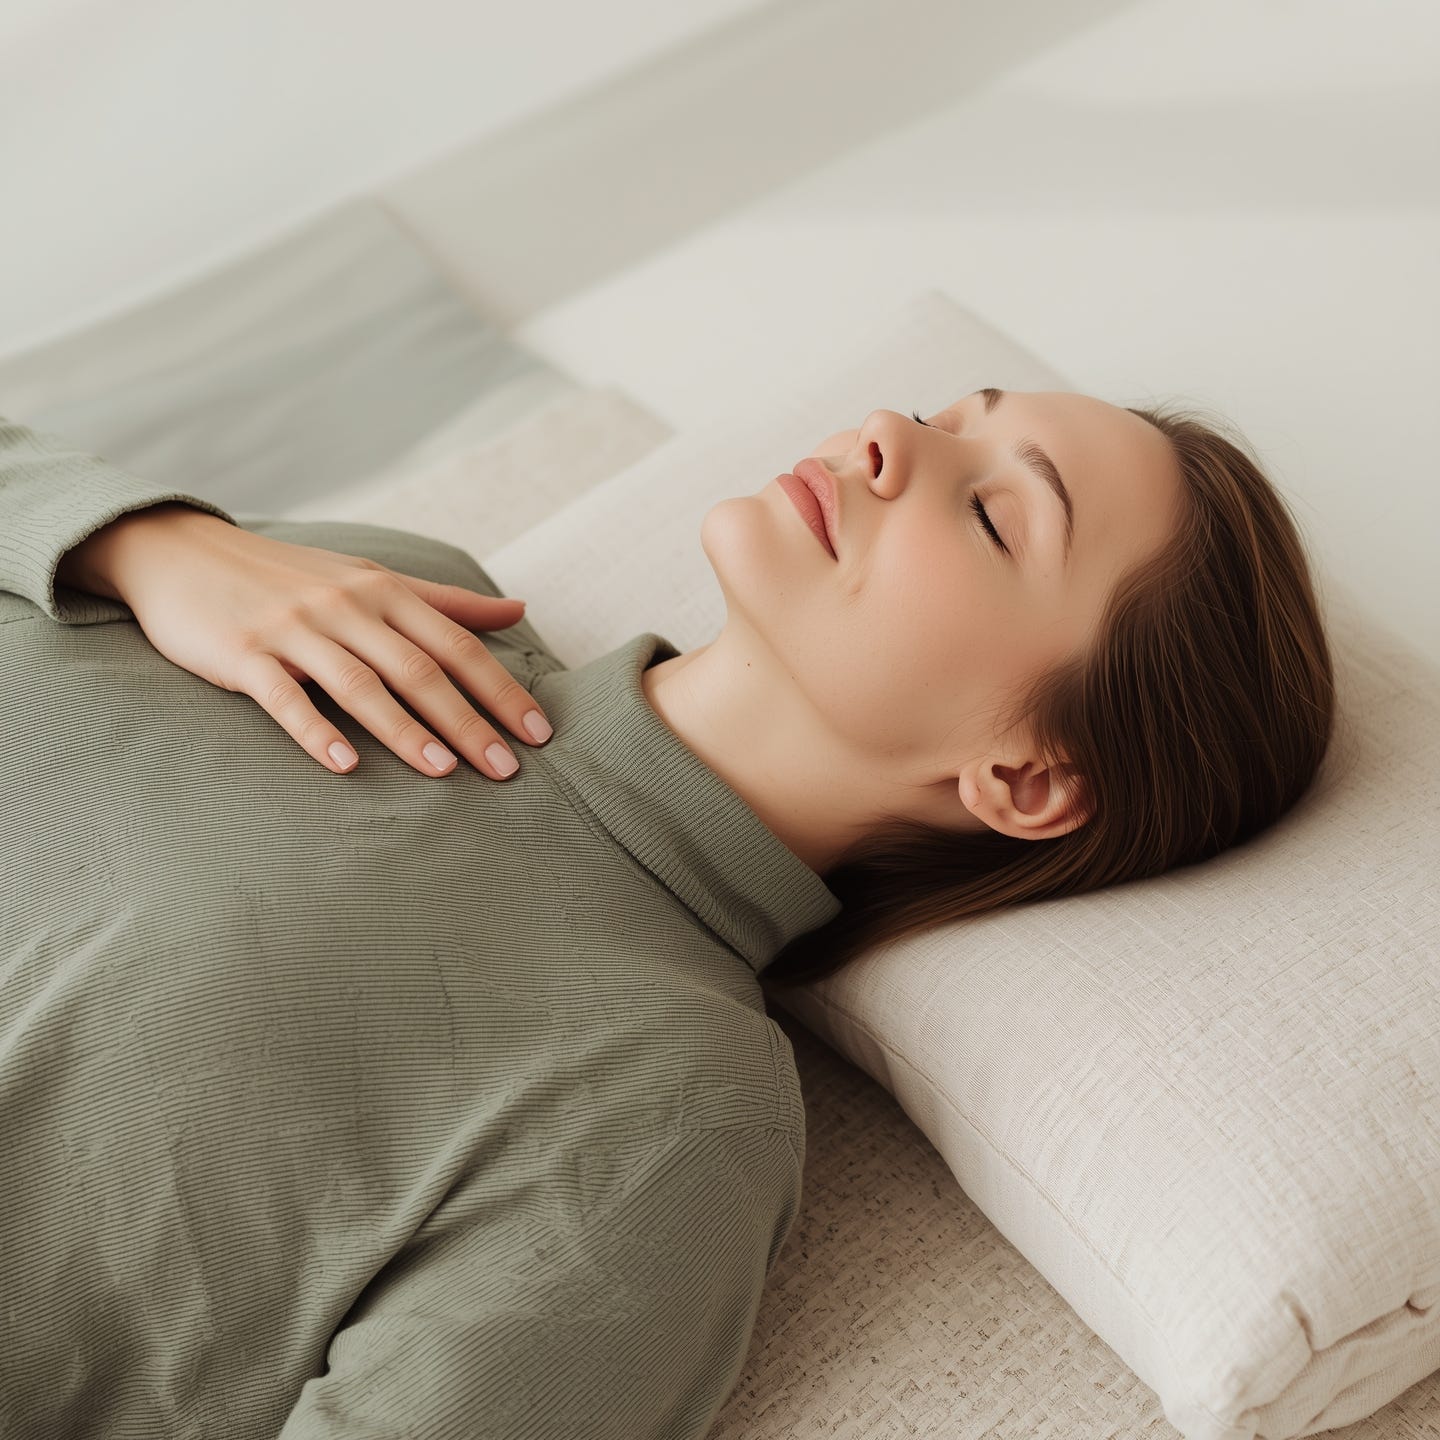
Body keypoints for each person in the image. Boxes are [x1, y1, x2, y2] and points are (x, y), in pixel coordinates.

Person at [0, 388, 1333, 1438]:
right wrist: (143, 541)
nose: (887, 434)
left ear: (1026, 778)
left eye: (994, 515)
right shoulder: (394, 588)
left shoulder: (675, 1110)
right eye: (943, 414)